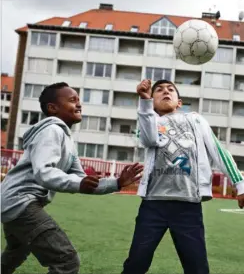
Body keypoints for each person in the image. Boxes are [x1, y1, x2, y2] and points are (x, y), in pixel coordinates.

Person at [1, 82, 143, 274]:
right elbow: (44, 172)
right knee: (66, 260)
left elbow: (82, 179)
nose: (79, 104)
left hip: (13, 202)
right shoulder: (52, 131)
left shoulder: (66, 139)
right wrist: (79, 183)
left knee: (15, 253)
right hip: (20, 202)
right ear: (53, 108)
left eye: (79, 100)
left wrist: (116, 183)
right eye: (72, 100)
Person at [122, 79, 244, 274]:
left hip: (188, 206)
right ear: (152, 100)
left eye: (170, 89)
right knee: (136, 263)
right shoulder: (148, 122)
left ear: (179, 102)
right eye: (159, 90)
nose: (165, 92)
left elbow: (218, 151)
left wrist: (240, 184)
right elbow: (148, 138)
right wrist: (144, 103)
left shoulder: (196, 120)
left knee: (197, 268)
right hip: (154, 204)